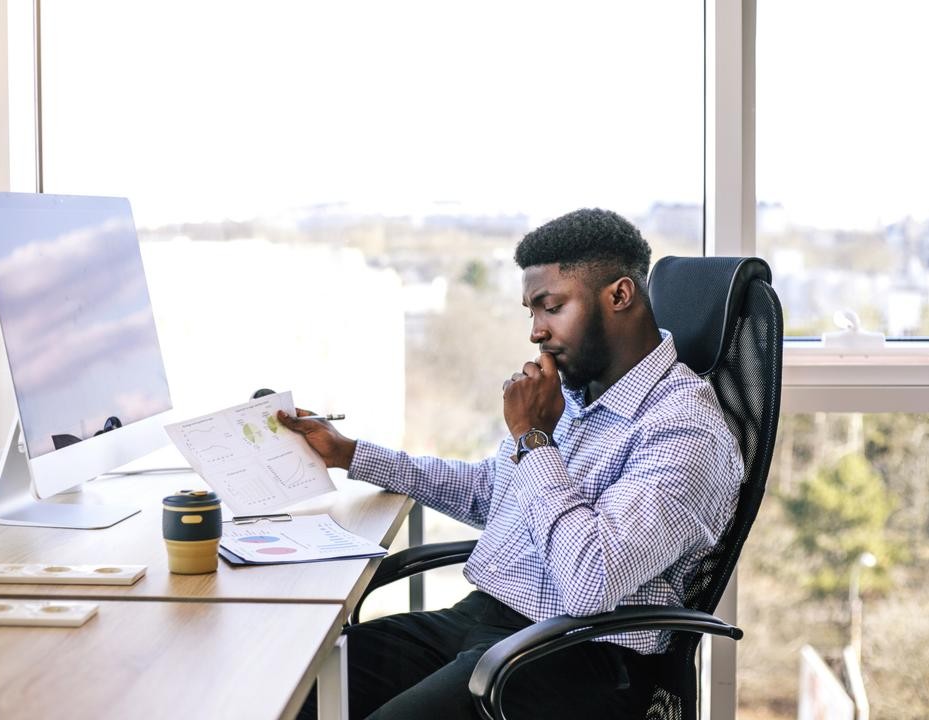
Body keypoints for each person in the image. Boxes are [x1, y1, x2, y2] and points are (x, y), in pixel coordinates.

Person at [282, 208, 744, 719]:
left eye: (551, 307)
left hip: (579, 653)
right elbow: (489, 490)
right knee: (297, 690)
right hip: (483, 621)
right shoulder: (579, 394)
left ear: (618, 295)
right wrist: (350, 454)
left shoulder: (684, 427)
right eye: (531, 312)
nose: (536, 332)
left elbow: (592, 579)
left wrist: (533, 437)